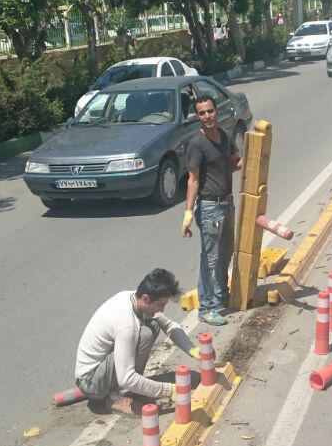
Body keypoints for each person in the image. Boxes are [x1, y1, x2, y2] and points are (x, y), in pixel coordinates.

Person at [74, 269, 195, 405]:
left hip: (101, 369)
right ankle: (117, 395)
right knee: (141, 334)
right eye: (161, 305)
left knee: (152, 325)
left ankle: (131, 388)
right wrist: (168, 390)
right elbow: (126, 378)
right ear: (145, 299)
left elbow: (168, 325)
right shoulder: (127, 324)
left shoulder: (131, 297)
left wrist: (192, 350)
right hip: (92, 383)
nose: (162, 310)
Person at [182, 93, 242, 325]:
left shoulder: (224, 136)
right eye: (202, 113)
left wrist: (258, 153)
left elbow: (234, 162)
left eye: (210, 111)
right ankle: (206, 307)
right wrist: (188, 213)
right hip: (209, 207)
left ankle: (220, 294)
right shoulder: (197, 144)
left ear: (216, 111)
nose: (207, 116)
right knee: (210, 257)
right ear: (197, 116)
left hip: (227, 203)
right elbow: (193, 180)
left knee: (226, 251)